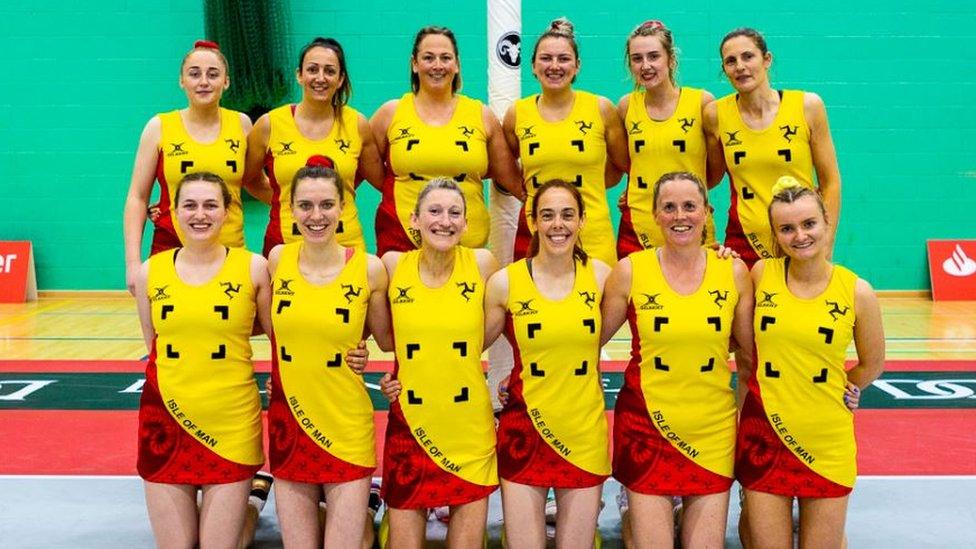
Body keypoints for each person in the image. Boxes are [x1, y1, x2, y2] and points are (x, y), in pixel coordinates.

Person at [600, 172, 753, 548]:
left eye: (689, 206)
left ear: (707, 211)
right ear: (654, 214)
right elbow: (584, 344)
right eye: (668, 207)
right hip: (646, 424)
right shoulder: (630, 271)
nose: (679, 215)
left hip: (711, 427)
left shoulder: (733, 271)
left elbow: (751, 356)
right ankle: (631, 512)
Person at [736, 177, 884, 547]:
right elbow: (742, 345)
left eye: (808, 224)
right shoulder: (759, 275)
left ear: (826, 223)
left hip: (825, 439)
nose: (799, 235)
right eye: (786, 228)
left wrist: (846, 386)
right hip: (764, 433)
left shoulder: (857, 291)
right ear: (775, 234)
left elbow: (872, 363)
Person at [132, 172, 270, 548]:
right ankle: (251, 499)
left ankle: (252, 504)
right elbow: (153, 346)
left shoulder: (254, 268)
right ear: (173, 212)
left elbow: (283, 335)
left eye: (211, 205)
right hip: (166, 421)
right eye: (189, 205)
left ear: (228, 211)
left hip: (230, 421)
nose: (200, 214)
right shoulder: (149, 273)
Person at [266, 157, 392, 548]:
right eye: (305, 205)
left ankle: (367, 509)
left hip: (345, 420)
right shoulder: (275, 261)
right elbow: (271, 332)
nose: (316, 215)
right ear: (291, 209)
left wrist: (358, 350)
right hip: (291, 420)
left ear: (343, 209)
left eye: (326, 205)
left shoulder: (369, 269)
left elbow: (385, 338)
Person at [487, 180, 611, 548]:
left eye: (568, 215)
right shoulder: (504, 283)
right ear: (533, 221)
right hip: (524, 428)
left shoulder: (605, 277)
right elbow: (464, 346)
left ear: (582, 220)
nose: (558, 224)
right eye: (548, 215)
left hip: (583, 430)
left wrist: (720, 256)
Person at [377, 178, 499, 547]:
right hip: (411, 424)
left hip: (468, 425)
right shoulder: (392, 265)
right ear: (414, 219)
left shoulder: (482, 264)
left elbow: (488, 335)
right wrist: (361, 361)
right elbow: (384, 339)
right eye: (434, 211)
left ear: (466, 223)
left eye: (454, 213)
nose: (444, 221)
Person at [124, 40, 261, 295]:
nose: (204, 82)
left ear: (226, 81)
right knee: (169, 331)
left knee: (228, 330)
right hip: (171, 246)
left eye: (213, 74)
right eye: (194, 74)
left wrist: (295, 199)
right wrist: (133, 263)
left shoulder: (242, 125)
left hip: (229, 247)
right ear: (182, 81)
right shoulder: (159, 127)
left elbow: (257, 183)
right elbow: (137, 197)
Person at [370, 26, 522, 255]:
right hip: (401, 243)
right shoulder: (390, 113)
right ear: (414, 63)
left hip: (468, 248)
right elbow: (363, 169)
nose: (437, 65)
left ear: (457, 64)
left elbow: (512, 179)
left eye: (445, 58)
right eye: (428, 58)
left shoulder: (482, 115)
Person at [703, 27, 841, 266]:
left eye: (748, 56)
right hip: (744, 240)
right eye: (730, 61)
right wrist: (637, 186)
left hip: (801, 237)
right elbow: (708, 176)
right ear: (724, 69)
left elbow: (831, 183)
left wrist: (826, 241)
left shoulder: (808, 106)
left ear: (767, 60)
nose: (740, 66)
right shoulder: (715, 115)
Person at [503, 17, 629, 268]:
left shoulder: (601, 109)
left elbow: (623, 164)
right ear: (533, 66)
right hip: (535, 230)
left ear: (577, 65)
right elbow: (505, 169)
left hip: (592, 232)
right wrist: (533, 194)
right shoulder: (517, 113)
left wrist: (589, 184)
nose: (554, 66)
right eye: (546, 58)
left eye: (563, 59)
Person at [245, 37, 384, 256]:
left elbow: (385, 180)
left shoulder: (357, 124)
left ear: (340, 79)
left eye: (329, 71)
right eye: (312, 69)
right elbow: (249, 179)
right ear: (299, 75)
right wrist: (286, 200)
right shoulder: (269, 124)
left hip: (346, 246)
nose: (320, 78)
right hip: (286, 246)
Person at [616, 20, 722, 257]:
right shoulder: (625, 107)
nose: (645, 65)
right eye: (637, 58)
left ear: (671, 60)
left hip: (690, 224)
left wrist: (693, 196)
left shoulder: (702, 103)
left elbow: (714, 173)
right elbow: (629, 165)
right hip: (637, 227)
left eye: (654, 56)